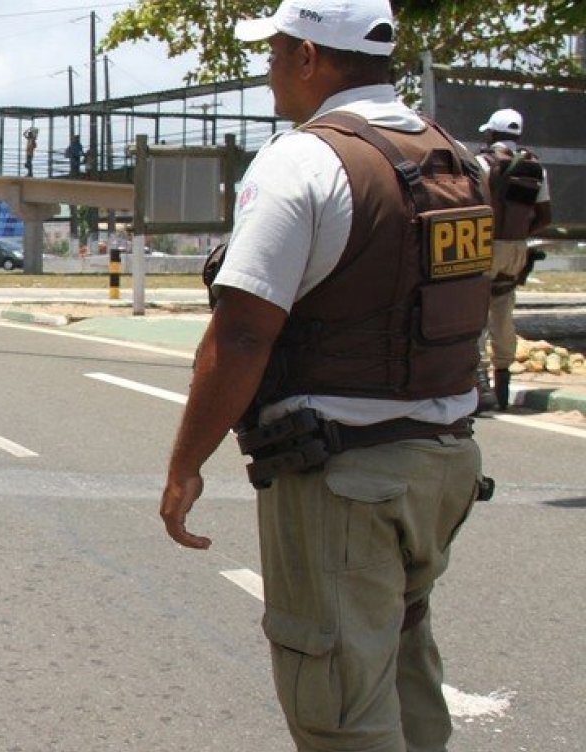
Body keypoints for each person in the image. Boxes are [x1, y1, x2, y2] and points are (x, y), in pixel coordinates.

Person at [160, 1, 488, 750]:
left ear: (310, 57)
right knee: (404, 665)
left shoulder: (304, 160)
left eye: (275, 53)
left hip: (346, 476)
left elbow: (243, 330)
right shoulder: (453, 157)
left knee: (337, 703)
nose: (268, 70)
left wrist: (186, 464)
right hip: (444, 465)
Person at [475, 108, 551, 411]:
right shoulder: (536, 168)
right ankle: (503, 382)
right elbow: (545, 216)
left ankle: (481, 387)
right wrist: (518, 234)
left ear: (491, 134)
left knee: (477, 313)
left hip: (486, 247)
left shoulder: (482, 163)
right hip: (517, 249)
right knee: (503, 312)